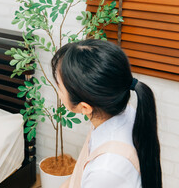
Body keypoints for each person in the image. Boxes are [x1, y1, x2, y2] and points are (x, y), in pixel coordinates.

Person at [51, 39, 162, 188]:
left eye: (59, 87)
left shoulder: (105, 171)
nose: (58, 93)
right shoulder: (115, 113)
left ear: (85, 108)